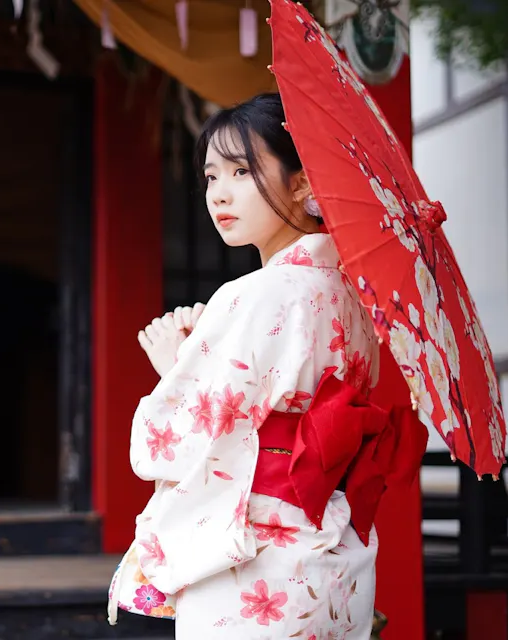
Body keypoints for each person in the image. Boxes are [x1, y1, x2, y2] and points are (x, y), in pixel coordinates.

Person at [107, 93, 423, 639]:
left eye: (242, 171)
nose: (219, 194)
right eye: (210, 177)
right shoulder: (354, 296)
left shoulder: (254, 295)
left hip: (252, 566)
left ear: (302, 184)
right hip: (331, 556)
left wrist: (173, 366)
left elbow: (173, 444)